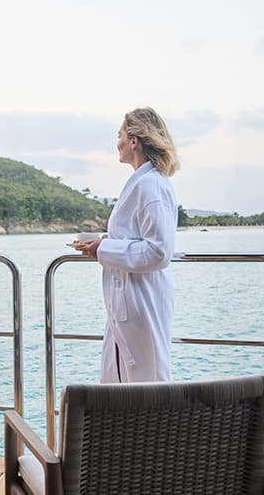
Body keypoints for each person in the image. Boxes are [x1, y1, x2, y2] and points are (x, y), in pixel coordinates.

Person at [75, 107, 179, 383]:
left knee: (146, 388)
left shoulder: (150, 186)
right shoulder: (144, 183)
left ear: (134, 141)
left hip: (140, 304)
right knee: (121, 386)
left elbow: (159, 251)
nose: (117, 142)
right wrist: (104, 244)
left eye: (119, 135)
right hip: (128, 304)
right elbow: (137, 237)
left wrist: (103, 250)